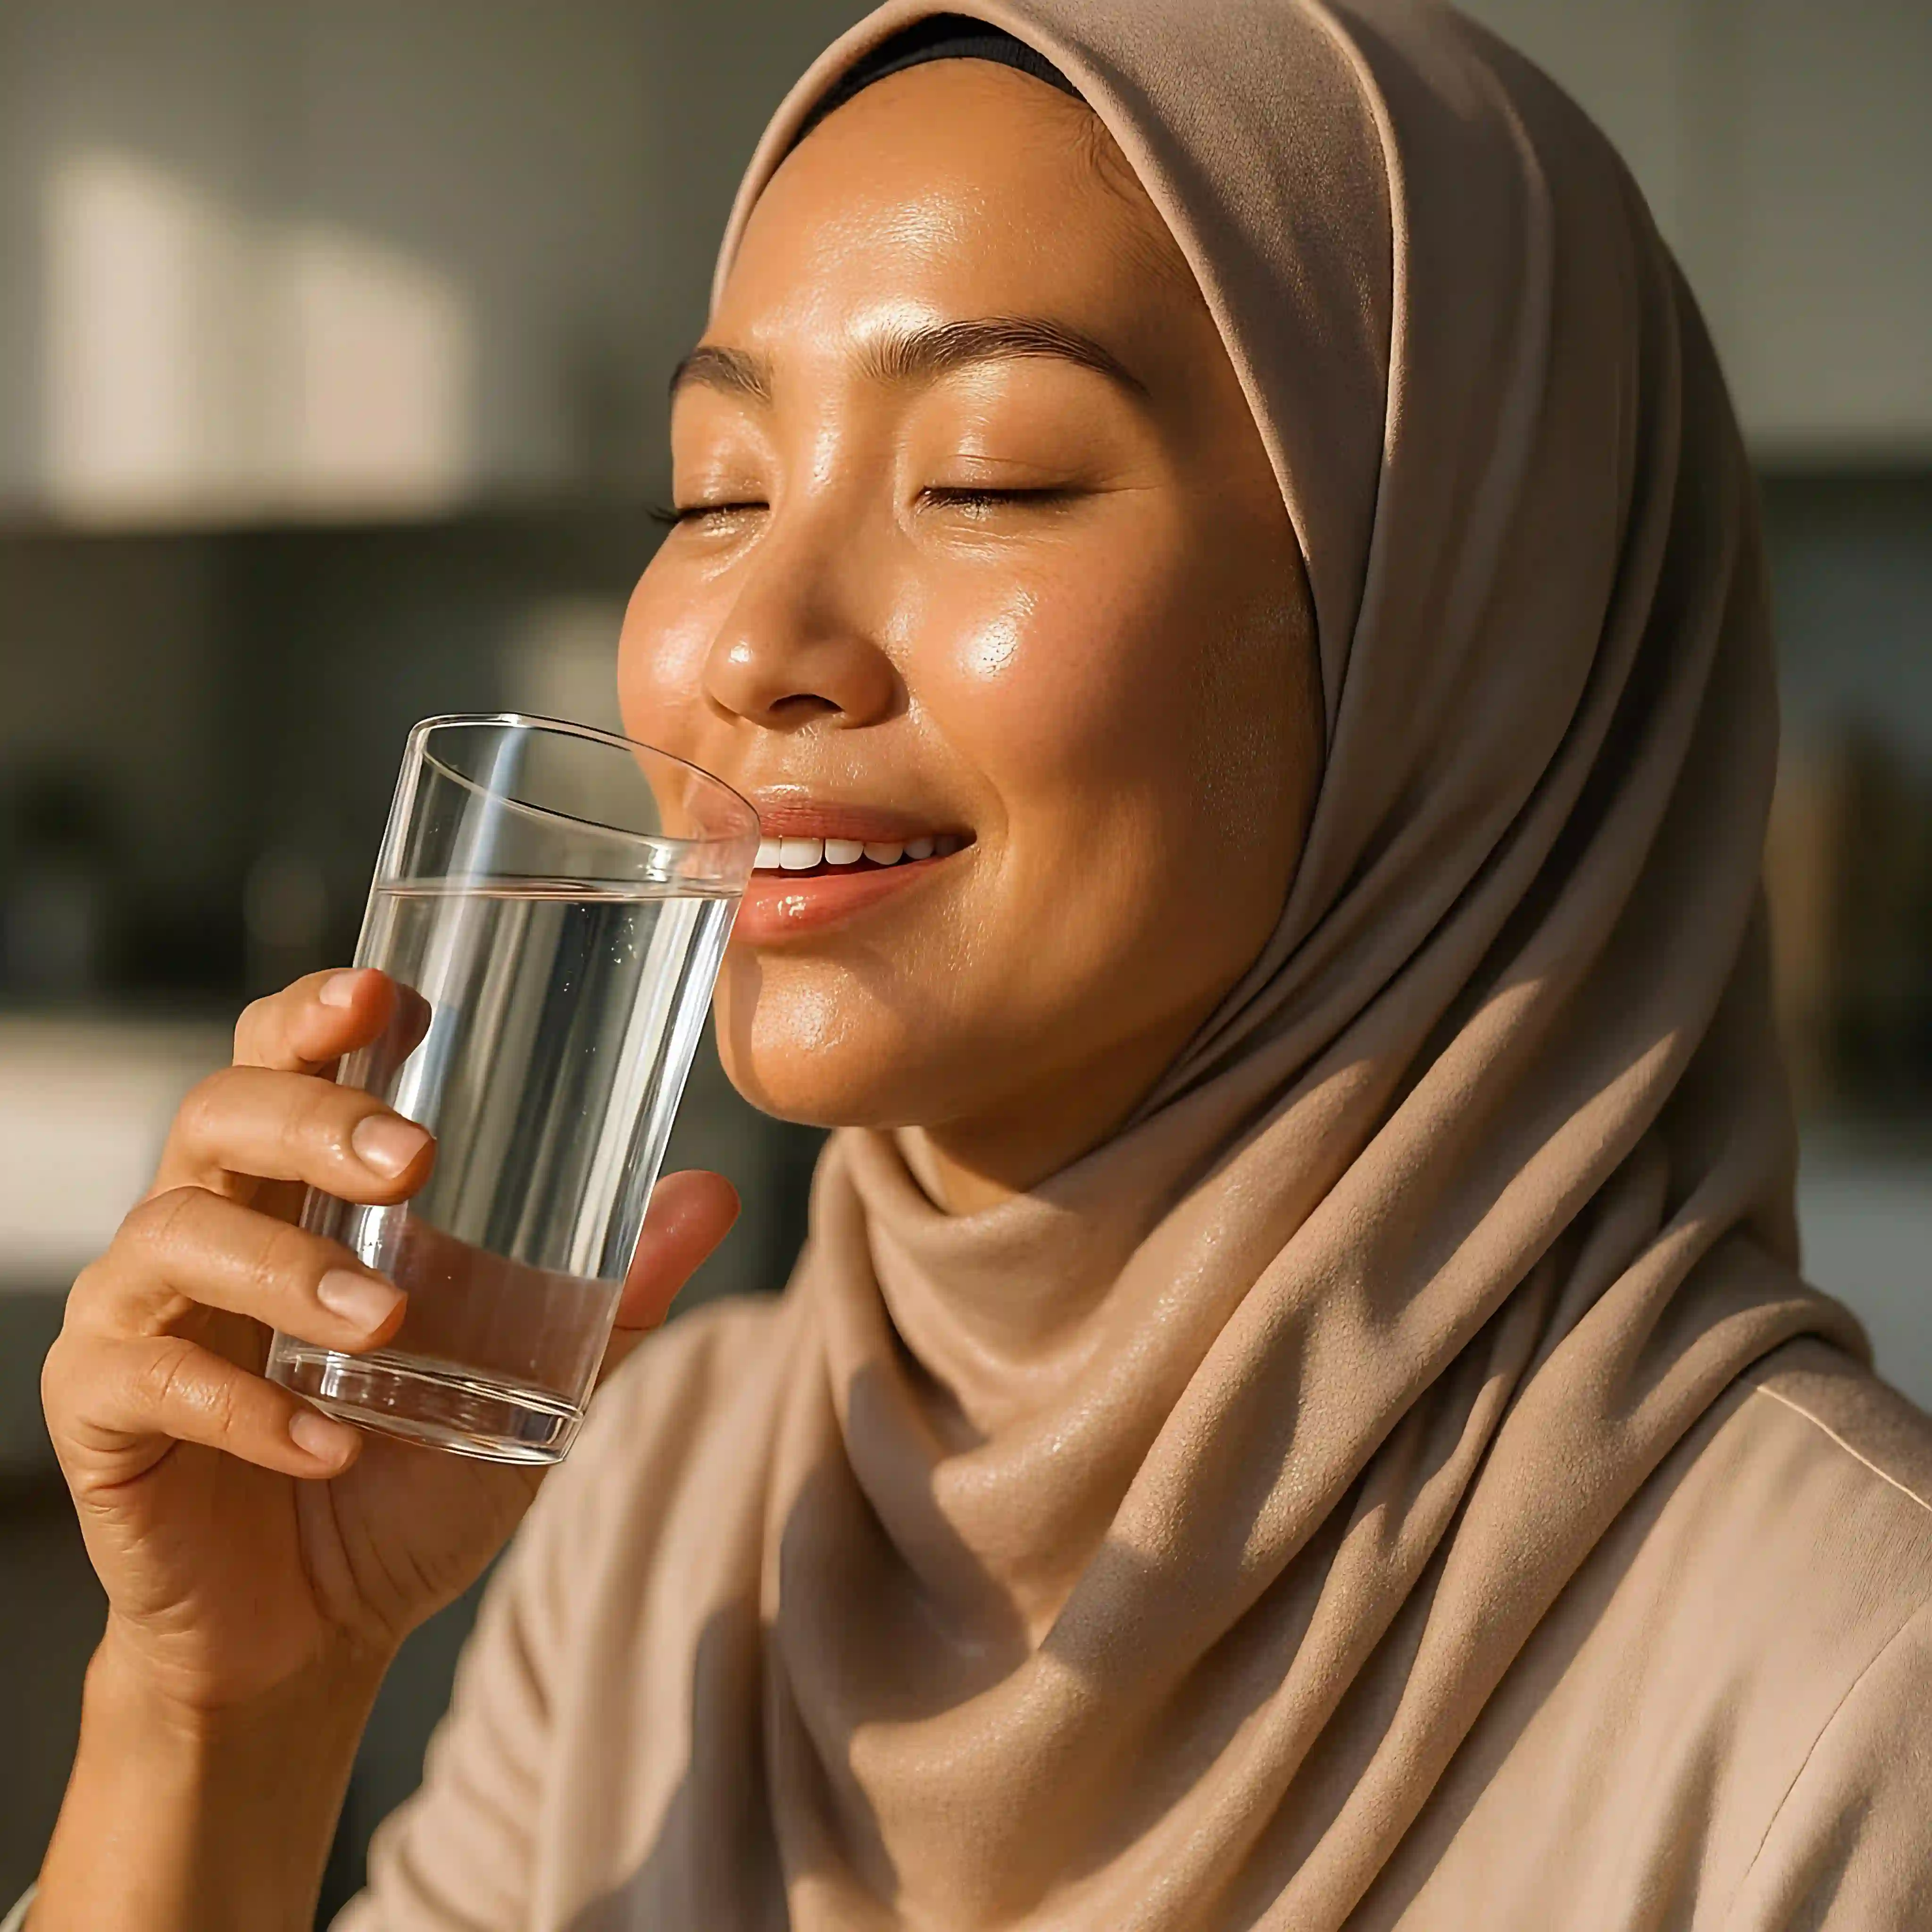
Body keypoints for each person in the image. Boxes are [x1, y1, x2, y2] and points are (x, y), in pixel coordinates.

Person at [23, 3, 1932, 1927]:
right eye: (713, 493)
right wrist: (226, 1713)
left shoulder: (1848, 1681)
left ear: (1458, 638)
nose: (757, 634)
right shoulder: (682, 1501)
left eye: (992, 476)